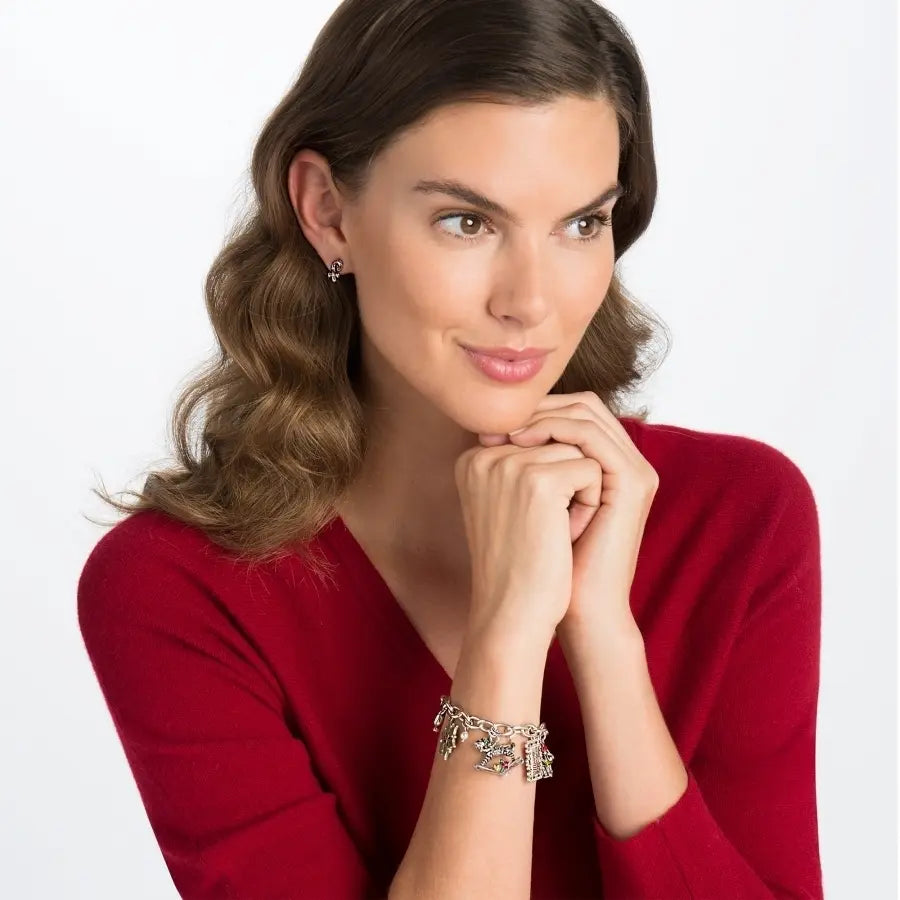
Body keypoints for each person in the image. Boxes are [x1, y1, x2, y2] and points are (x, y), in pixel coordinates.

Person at [76, 0, 824, 897]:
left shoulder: (739, 517)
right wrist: (506, 637)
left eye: (581, 224)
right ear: (326, 211)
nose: (530, 300)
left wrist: (604, 641)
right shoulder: (176, 589)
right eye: (468, 222)